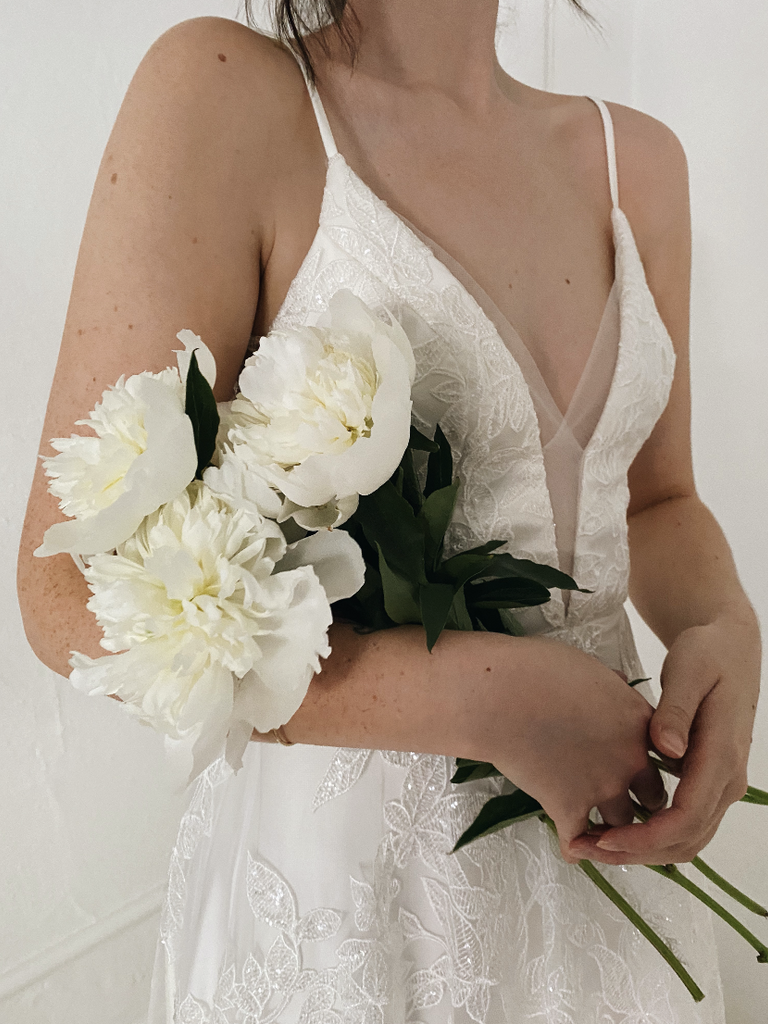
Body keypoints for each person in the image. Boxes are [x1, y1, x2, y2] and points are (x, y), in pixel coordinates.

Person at [16, 2, 761, 1021]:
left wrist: (725, 627)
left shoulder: (637, 162)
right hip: (350, 911)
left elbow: (661, 498)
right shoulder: (229, 94)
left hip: (612, 867)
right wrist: (489, 700)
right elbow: (67, 594)